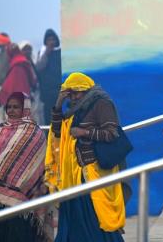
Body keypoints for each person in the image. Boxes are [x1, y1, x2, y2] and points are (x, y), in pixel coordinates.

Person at [45, 72, 125, 241]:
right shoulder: (73, 110)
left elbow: (112, 134)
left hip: (93, 174)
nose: (73, 97)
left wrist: (85, 132)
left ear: (87, 90)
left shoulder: (101, 104)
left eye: (77, 92)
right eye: (70, 93)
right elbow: (58, 133)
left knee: (97, 220)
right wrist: (58, 105)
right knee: (74, 224)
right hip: (73, 176)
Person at [0, 92, 53, 242]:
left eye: (16, 107)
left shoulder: (35, 133)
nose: (11, 110)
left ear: (25, 108)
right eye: (8, 107)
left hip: (22, 204)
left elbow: (38, 169)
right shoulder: (0, 130)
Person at [0, 44, 37, 123]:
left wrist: (2, 96)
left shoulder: (13, 64)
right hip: (25, 99)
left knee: (13, 125)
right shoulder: (25, 62)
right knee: (25, 124)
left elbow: (7, 85)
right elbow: (33, 80)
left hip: (12, 100)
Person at [36, 29, 62, 125]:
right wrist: (47, 52)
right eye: (49, 40)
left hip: (59, 92)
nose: (51, 42)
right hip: (47, 94)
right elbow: (38, 68)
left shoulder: (60, 53)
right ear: (45, 42)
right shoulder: (42, 53)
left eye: (53, 39)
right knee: (49, 119)